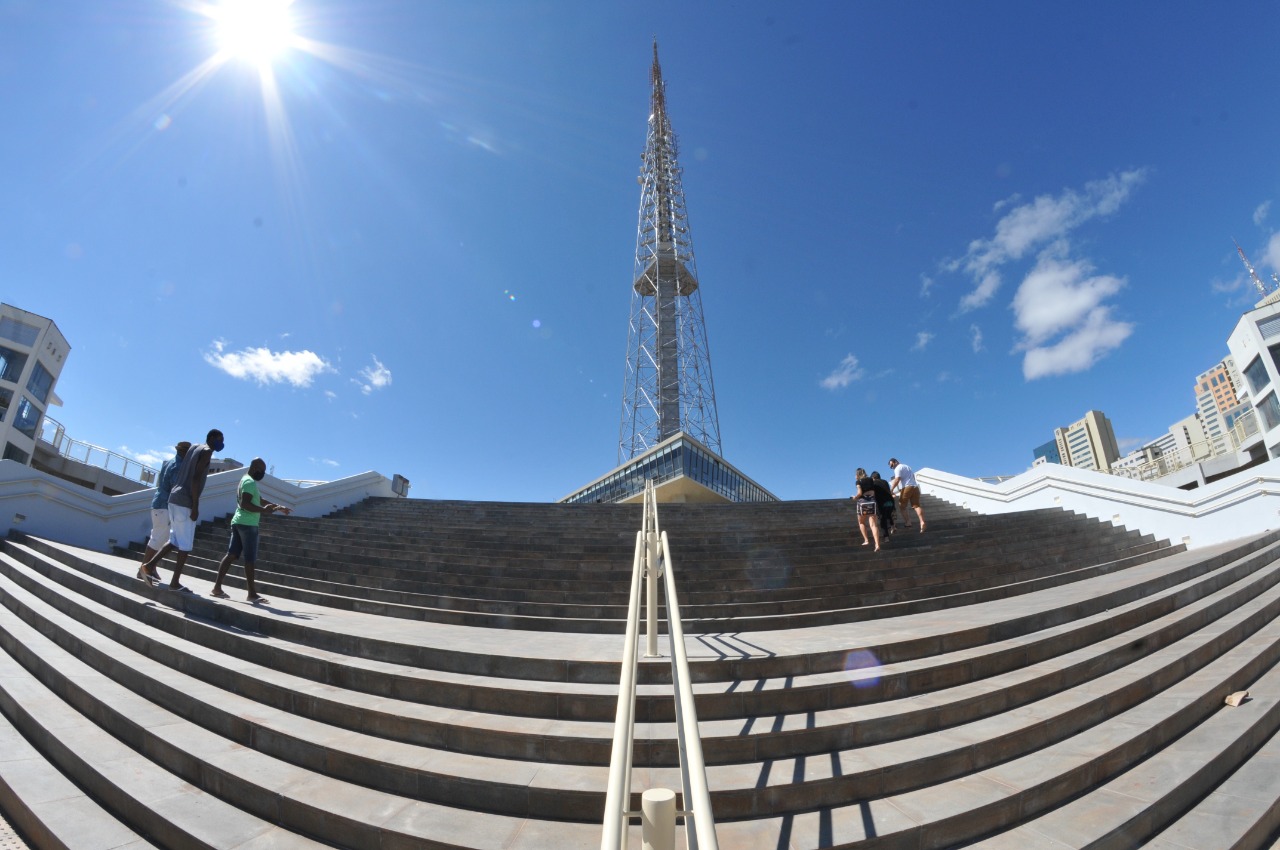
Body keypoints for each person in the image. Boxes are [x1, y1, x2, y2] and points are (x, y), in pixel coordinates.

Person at [139, 428, 224, 592]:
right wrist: (195, 505)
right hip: (185, 500)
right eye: (220, 439)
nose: (222, 443)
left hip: (174, 498)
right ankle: (174, 582)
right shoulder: (207, 452)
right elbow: (196, 478)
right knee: (185, 545)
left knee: (175, 540)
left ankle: (148, 566)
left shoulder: (194, 447)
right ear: (212, 438)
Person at [210, 457, 290, 604]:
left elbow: (259, 500)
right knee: (250, 559)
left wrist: (278, 507)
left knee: (231, 555)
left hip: (238, 522)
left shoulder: (246, 480)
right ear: (255, 468)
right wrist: (264, 511)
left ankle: (217, 588)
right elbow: (245, 504)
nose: (263, 474)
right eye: (262, 471)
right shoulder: (249, 482)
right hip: (248, 525)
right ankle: (252, 594)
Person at [138, 440, 191, 585]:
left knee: (159, 537)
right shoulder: (178, 466)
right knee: (158, 538)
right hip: (165, 505)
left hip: (159, 503)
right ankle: (144, 568)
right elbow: (176, 487)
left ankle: (150, 568)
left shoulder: (169, 462)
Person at [888, 457, 926, 532]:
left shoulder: (897, 468)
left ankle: (908, 522)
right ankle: (922, 521)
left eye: (892, 465)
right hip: (915, 487)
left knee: (902, 506)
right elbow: (913, 476)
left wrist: (891, 489)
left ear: (895, 462)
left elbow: (897, 479)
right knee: (916, 506)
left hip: (907, 487)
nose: (892, 467)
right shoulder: (907, 466)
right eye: (891, 467)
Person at [852, 467, 883, 551]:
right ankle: (877, 544)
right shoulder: (870, 479)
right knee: (873, 525)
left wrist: (855, 497)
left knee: (861, 522)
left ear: (858, 474)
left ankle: (866, 540)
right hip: (872, 501)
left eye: (855, 474)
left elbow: (860, 493)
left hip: (863, 502)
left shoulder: (858, 481)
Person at [870, 471, 897, 536]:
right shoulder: (885, 481)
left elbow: (874, 493)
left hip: (881, 503)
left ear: (873, 477)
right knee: (889, 514)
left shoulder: (874, 483)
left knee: (883, 519)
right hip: (890, 502)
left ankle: (886, 537)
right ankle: (893, 526)